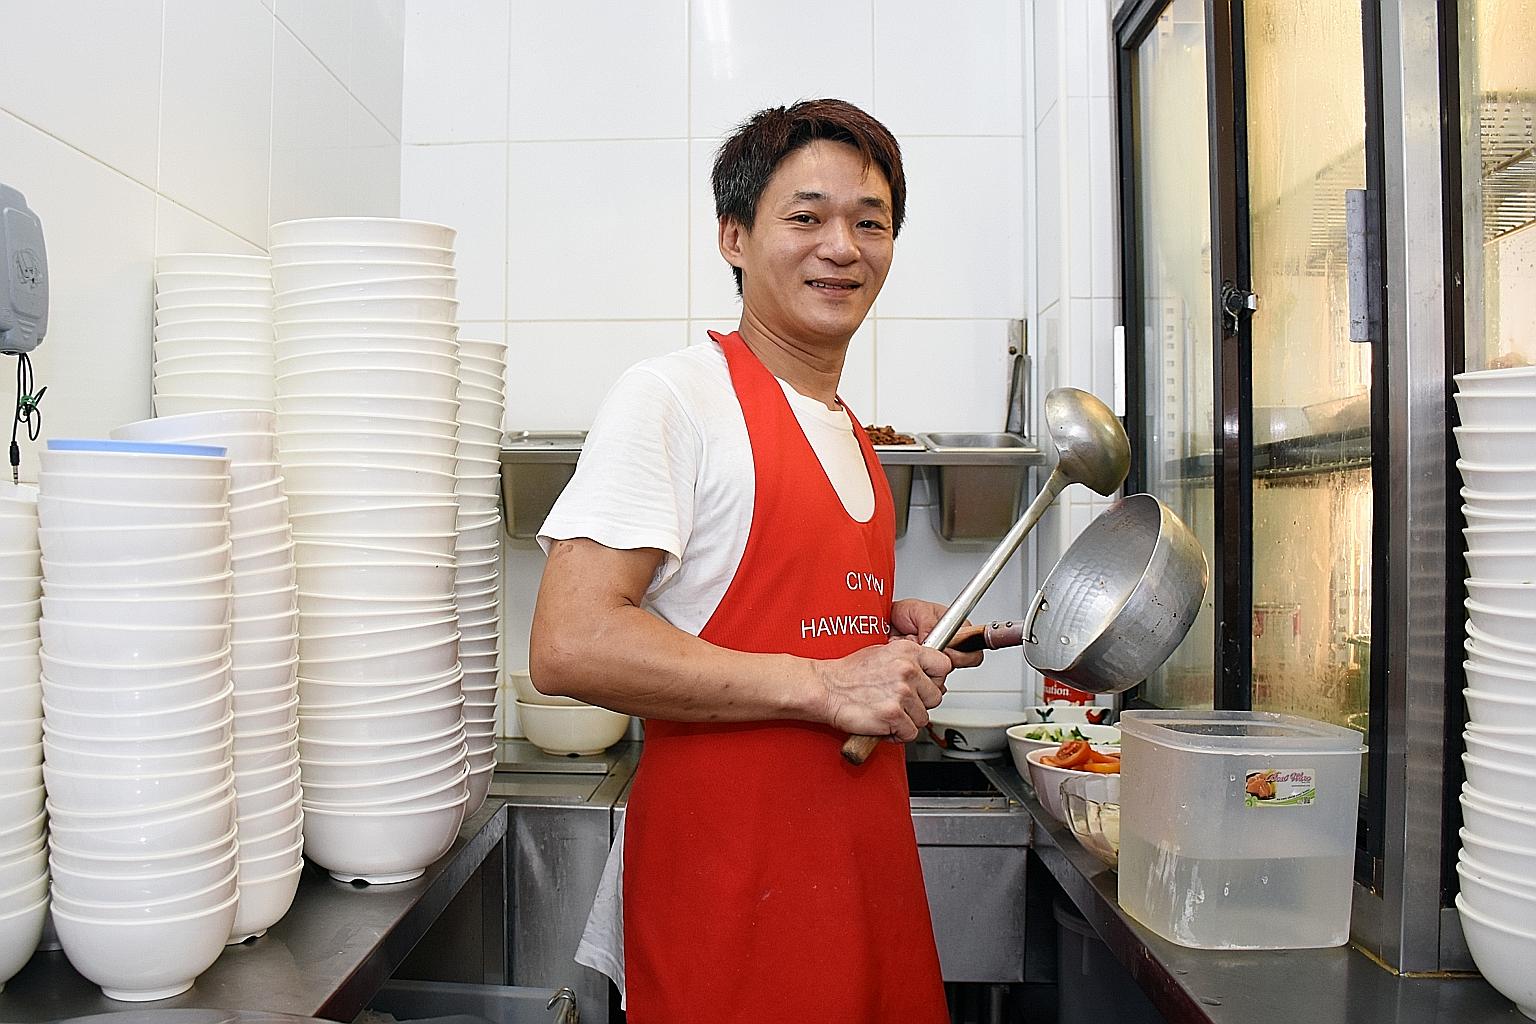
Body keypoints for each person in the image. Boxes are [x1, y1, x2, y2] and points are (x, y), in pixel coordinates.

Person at [530, 97, 979, 1024]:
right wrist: (827, 684)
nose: (842, 247)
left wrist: (886, 633)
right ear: (734, 237)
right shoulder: (673, 398)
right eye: (806, 217)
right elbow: (571, 641)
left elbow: (778, 613)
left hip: (861, 879)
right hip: (730, 897)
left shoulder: (849, 430)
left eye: (871, 223)